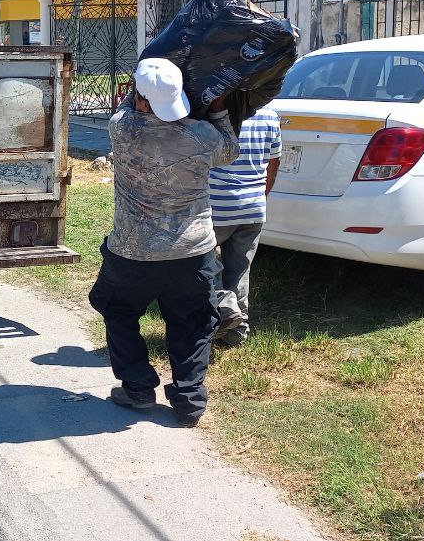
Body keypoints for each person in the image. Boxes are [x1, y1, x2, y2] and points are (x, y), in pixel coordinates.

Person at [89, 58, 239, 427]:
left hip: (133, 253)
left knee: (118, 310)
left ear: (138, 98)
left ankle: (138, 387)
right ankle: (189, 401)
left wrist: (136, 90)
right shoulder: (203, 136)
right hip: (193, 252)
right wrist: (218, 111)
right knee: (192, 321)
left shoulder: (120, 129)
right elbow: (230, 152)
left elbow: (128, 106)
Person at [209, 105, 282, 348]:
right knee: (240, 270)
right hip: (253, 206)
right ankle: (235, 335)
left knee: (203, 267)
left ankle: (220, 313)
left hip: (217, 205)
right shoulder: (270, 114)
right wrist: (262, 195)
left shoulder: (214, 113)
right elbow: (274, 160)